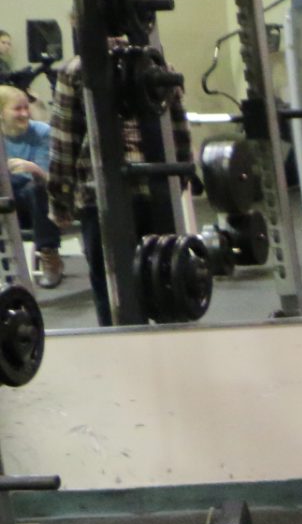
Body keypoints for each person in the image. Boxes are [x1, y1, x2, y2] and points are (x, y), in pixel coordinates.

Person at [51, 53, 193, 327]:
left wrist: (60, 199)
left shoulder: (77, 68)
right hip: (154, 189)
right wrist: (181, 177)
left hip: (105, 194)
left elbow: (65, 139)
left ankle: (123, 351)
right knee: (163, 279)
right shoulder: (157, 62)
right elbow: (179, 127)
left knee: (114, 287)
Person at [2, 86, 63, 288]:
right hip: (7, 200)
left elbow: (49, 179)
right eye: (17, 109)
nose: (24, 114)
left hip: (37, 204)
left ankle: (49, 256)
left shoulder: (42, 132)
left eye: (25, 108)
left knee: (36, 188)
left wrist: (35, 169)